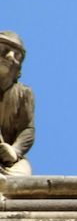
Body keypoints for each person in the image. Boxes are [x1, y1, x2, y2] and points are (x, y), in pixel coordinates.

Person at [0, 31, 35, 176]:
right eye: (4, 51)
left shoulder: (23, 94)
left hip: (10, 159)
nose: (10, 57)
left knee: (22, 177)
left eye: (16, 55)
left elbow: (27, 129)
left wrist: (15, 151)